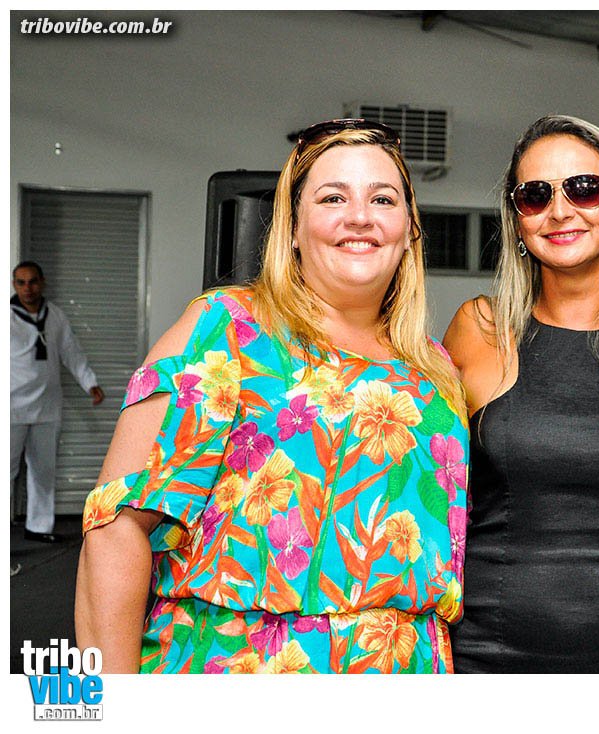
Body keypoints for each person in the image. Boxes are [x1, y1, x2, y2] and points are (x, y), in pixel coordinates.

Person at [74, 119, 469, 674]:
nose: (360, 216)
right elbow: (116, 529)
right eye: (333, 198)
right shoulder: (226, 329)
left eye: (383, 199)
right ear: (292, 228)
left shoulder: (434, 369)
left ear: (409, 230)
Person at [443, 115, 599, 672]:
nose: (559, 211)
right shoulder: (479, 329)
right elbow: (433, 485)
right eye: (535, 195)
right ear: (517, 218)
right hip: (490, 654)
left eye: (583, 188)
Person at [11, 261, 105, 544]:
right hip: (11, 406)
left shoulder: (55, 315)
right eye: (21, 283)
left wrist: (89, 382)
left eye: (32, 281)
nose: (28, 288)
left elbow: (71, 351)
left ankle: (39, 526)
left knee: (43, 469)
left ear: (42, 282)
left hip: (47, 405)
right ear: (14, 286)